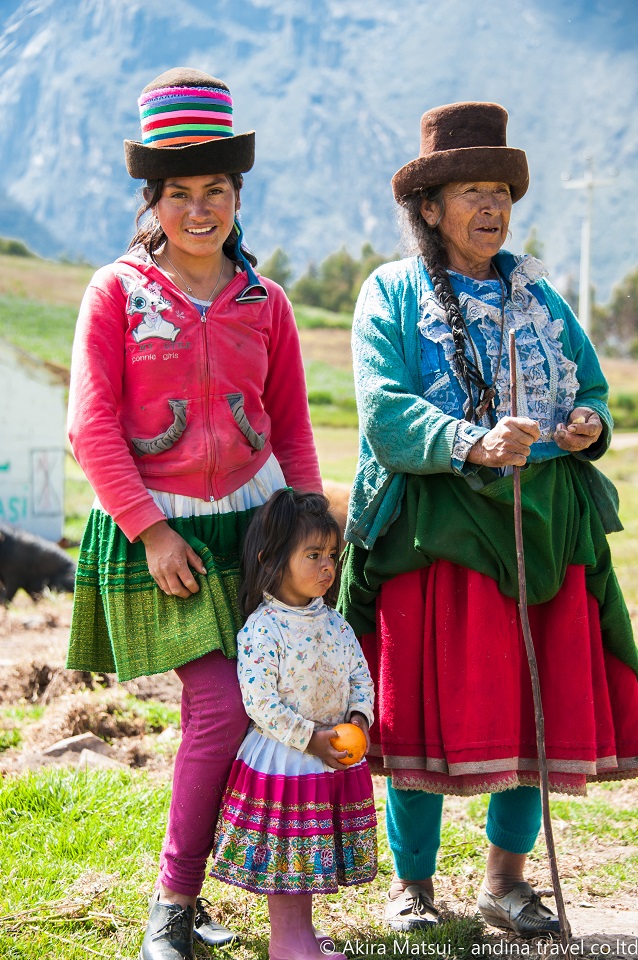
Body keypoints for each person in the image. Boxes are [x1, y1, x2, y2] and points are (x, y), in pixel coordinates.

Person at [338, 101, 638, 937]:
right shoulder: (391, 294)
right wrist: (472, 443)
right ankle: (414, 888)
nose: (492, 207)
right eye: (472, 190)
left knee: (527, 706)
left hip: (545, 523)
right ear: (429, 207)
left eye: (501, 190)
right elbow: (385, 414)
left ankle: (506, 885)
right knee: (421, 711)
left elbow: (590, 387)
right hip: (434, 530)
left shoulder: (537, 291)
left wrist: (587, 425)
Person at [66, 68, 323, 960]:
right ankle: (172, 907)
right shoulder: (117, 294)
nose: (201, 209)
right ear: (155, 201)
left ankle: (203, 891)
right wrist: (150, 527)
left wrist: (311, 538)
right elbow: (90, 426)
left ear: (238, 196)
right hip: (161, 529)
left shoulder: (268, 303)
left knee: (249, 711)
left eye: (217, 190)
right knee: (219, 708)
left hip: (254, 529)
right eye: (181, 193)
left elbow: (290, 423)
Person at [210, 488, 377, 960]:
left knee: (308, 852)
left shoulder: (335, 623)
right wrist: (311, 739)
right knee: (290, 857)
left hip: (332, 754)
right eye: (313, 555)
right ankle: (288, 943)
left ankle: (301, 935)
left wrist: (360, 719)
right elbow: (259, 701)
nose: (327, 566)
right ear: (272, 558)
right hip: (287, 756)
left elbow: (359, 675)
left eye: (332, 555)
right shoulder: (264, 627)